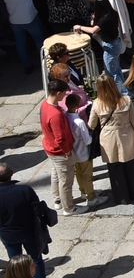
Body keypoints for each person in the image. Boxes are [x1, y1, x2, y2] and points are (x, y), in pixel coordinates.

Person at [88, 73, 134, 204]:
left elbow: (91, 124)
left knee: (114, 168)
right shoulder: (126, 100)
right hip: (126, 134)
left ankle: (121, 197)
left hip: (108, 137)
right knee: (131, 165)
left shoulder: (97, 104)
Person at [0, 165, 53, 278]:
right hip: (28, 232)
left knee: (16, 262)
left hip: (8, 235)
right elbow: (37, 211)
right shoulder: (25, 190)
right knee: (35, 259)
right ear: (12, 173)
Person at [39, 79, 77, 214]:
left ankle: (58, 200)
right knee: (66, 181)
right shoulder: (55, 114)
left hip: (50, 147)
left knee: (56, 174)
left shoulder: (44, 104)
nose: (65, 96)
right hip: (60, 151)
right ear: (58, 93)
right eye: (64, 93)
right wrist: (67, 151)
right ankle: (69, 208)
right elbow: (60, 137)